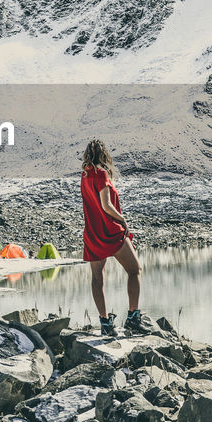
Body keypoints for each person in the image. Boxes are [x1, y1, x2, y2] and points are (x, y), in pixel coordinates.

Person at [80, 139, 143, 336]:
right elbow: (106, 205)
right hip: (110, 231)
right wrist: (123, 219)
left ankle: (105, 323)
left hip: (92, 234)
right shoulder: (102, 174)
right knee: (135, 270)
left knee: (98, 278)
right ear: (103, 154)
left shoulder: (85, 176)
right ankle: (133, 317)